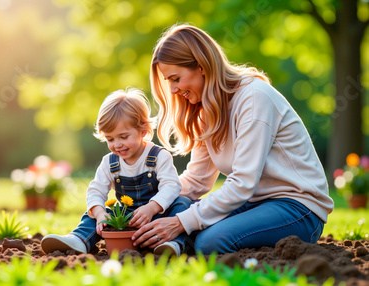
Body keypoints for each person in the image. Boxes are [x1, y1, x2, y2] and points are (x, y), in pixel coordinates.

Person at [131, 24, 335, 254]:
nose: (174, 90)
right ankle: (173, 245)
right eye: (169, 82)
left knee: (210, 242)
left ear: (201, 66)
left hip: (298, 208)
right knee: (180, 205)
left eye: (176, 78)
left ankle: (183, 243)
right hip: (251, 204)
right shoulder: (206, 111)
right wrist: (151, 203)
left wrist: (179, 223)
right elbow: (196, 181)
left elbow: (243, 182)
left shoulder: (254, 98)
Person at [41, 88, 191, 256]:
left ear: (144, 131)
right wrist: (99, 214)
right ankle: (80, 239)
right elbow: (96, 190)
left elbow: (171, 185)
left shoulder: (158, 156)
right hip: (126, 218)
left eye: (124, 137)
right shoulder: (110, 162)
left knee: (183, 204)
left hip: (159, 217)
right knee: (96, 213)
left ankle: (174, 244)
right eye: (110, 139)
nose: (117, 144)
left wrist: (151, 208)